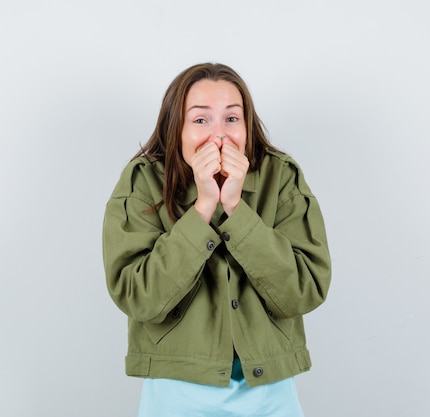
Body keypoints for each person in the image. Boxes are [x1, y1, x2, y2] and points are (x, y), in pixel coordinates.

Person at [102, 63, 331, 417]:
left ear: (247, 125)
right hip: (176, 393)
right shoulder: (142, 182)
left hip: (270, 395)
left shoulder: (281, 176)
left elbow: (305, 290)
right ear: (175, 127)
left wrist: (236, 209)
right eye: (200, 120)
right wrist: (204, 207)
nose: (218, 136)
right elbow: (138, 297)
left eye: (232, 119)